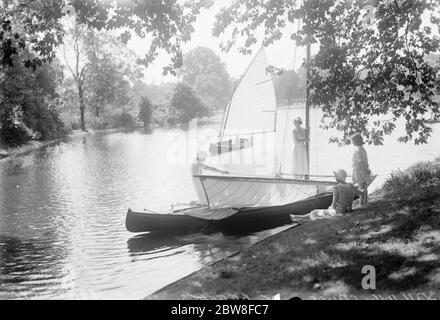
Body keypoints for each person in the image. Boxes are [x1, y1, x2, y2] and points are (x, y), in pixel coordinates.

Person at [351, 133, 371, 205]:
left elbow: (360, 162)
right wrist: (367, 170)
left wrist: (354, 172)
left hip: (359, 170)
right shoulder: (363, 149)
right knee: (364, 186)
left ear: (356, 141)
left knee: (361, 187)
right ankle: (365, 201)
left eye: (352, 141)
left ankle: (361, 203)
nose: (352, 142)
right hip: (364, 169)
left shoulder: (357, 150)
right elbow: (364, 161)